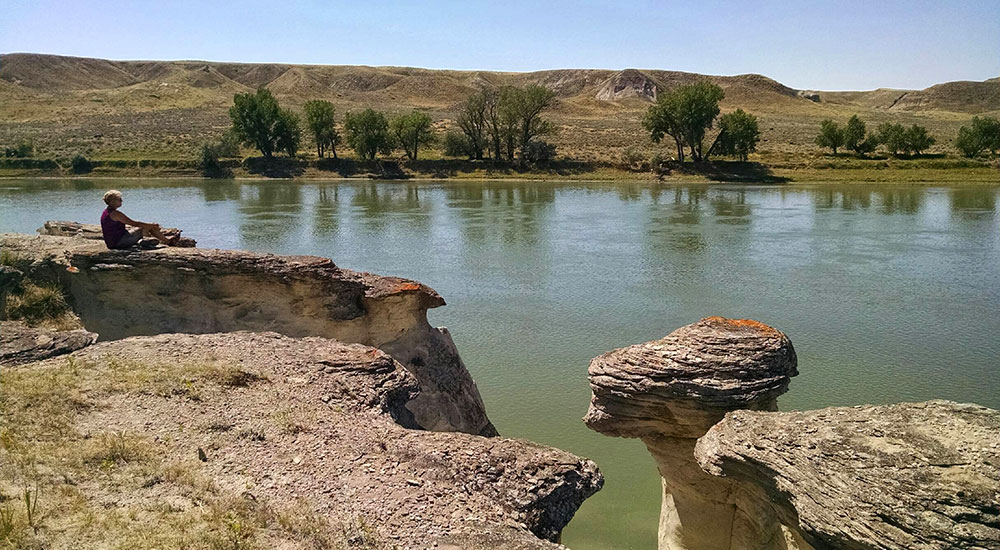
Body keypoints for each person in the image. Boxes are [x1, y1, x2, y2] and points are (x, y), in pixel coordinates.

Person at [100, 190, 178, 249]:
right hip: (118, 243)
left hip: (113, 242)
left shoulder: (106, 211)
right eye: (119, 199)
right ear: (112, 201)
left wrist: (149, 225)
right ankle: (168, 241)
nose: (121, 201)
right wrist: (151, 225)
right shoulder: (115, 214)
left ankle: (143, 242)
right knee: (144, 227)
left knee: (145, 226)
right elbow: (134, 223)